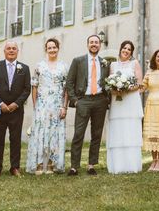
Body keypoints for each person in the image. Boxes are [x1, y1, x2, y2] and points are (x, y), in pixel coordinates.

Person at [65, 34, 110, 176]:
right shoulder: (78, 61)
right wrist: (75, 100)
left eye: (96, 42)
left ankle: (91, 165)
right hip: (83, 100)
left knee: (96, 134)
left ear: (100, 45)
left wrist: (106, 99)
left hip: (100, 101)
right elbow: (69, 82)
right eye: (91, 42)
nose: (94, 44)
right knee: (78, 133)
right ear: (87, 44)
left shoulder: (105, 63)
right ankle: (74, 166)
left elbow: (108, 82)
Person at [25, 38, 68, 175]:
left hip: (57, 103)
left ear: (58, 48)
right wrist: (35, 105)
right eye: (49, 48)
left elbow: (66, 88)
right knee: (40, 132)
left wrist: (64, 106)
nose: (52, 50)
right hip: (42, 104)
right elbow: (34, 86)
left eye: (54, 47)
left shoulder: (64, 67)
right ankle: (38, 164)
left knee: (54, 133)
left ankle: (51, 163)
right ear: (46, 49)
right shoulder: (39, 66)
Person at [0, 40, 31, 176]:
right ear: (5, 51)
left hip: (16, 110)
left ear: (17, 51)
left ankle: (15, 167)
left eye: (14, 48)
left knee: (15, 139)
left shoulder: (24, 68)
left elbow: (26, 89)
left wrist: (16, 104)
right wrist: (0, 103)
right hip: (0, 110)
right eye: (9, 48)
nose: (11, 50)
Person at [106, 40, 143, 174]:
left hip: (131, 100)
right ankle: (118, 165)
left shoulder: (135, 63)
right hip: (117, 101)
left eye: (129, 49)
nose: (126, 50)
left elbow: (139, 84)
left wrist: (126, 89)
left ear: (131, 53)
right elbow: (110, 84)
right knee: (118, 129)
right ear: (120, 49)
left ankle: (131, 165)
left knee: (130, 129)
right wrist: (116, 90)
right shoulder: (113, 65)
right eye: (124, 48)